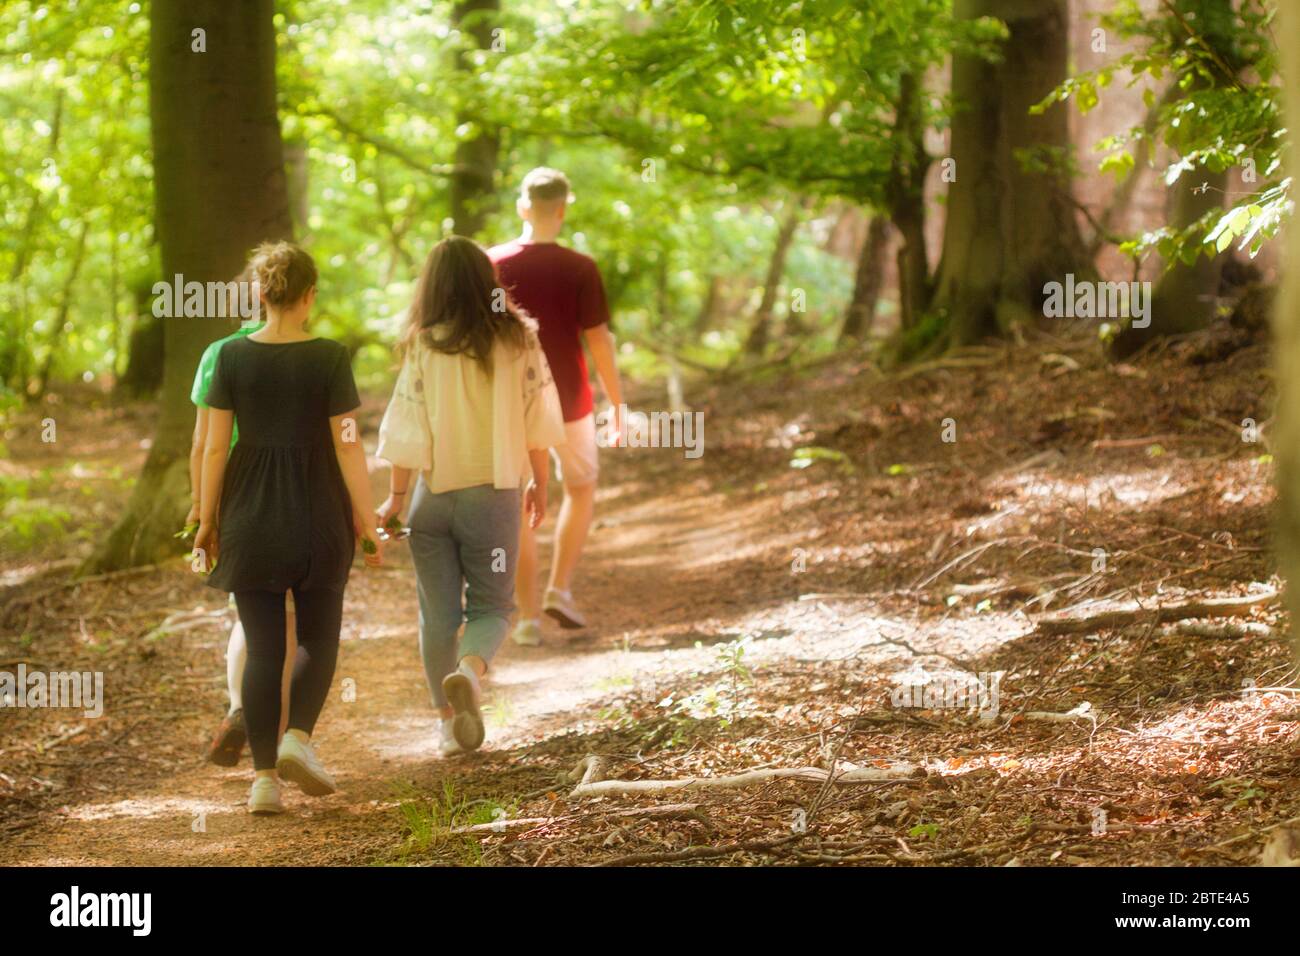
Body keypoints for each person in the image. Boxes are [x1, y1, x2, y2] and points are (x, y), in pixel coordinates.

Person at [194, 242, 382, 815]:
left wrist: (206, 519)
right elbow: (349, 448)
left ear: (259, 294)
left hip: (249, 513)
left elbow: (213, 449)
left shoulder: (229, 357)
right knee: (320, 637)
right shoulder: (329, 356)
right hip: (318, 510)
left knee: (265, 649)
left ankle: (264, 782)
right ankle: (299, 735)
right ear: (308, 296)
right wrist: (368, 521)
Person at [375, 236, 565, 756]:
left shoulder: (423, 343)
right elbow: (539, 419)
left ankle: (445, 724)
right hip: (493, 496)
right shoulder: (519, 338)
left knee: (436, 616)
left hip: (432, 501)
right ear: (489, 281)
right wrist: (541, 483)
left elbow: (406, 429)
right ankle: (470, 672)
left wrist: (394, 498)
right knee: (493, 608)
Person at [489, 167, 624, 644]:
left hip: (513, 406)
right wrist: (618, 403)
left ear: (522, 207)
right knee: (581, 487)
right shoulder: (581, 268)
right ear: (562, 210)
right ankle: (559, 589)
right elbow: (600, 341)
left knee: (523, 502)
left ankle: (526, 618)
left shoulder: (491, 263)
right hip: (570, 401)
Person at [187, 269, 298, 767]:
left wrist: (201, 509)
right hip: (291, 488)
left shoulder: (217, 354)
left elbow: (203, 444)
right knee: (290, 615)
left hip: (234, 494)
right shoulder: (306, 350)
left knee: (248, 611)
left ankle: (239, 706)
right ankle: (278, 733)